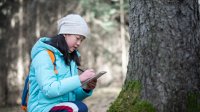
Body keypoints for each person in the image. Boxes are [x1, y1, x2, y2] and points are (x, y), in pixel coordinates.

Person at [28, 14, 97, 112]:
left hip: (62, 107)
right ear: (65, 33)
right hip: (41, 109)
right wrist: (79, 79)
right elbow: (49, 90)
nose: (79, 43)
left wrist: (86, 89)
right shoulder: (43, 56)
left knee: (77, 106)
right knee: (78, 107)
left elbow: (72, 96)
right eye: (77, 38)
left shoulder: (70, 59)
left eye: (81, 40)